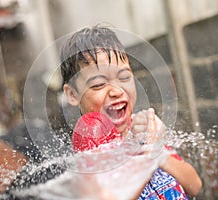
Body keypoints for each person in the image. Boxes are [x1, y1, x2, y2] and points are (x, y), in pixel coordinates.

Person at [60, 25, 202, 199]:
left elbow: (195, 185)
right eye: (98, 83)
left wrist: (158, 152)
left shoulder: (144, 130)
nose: (117, 91)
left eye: (124, 77)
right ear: (73, 94)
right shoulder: (92, 140)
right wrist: (146, 159)